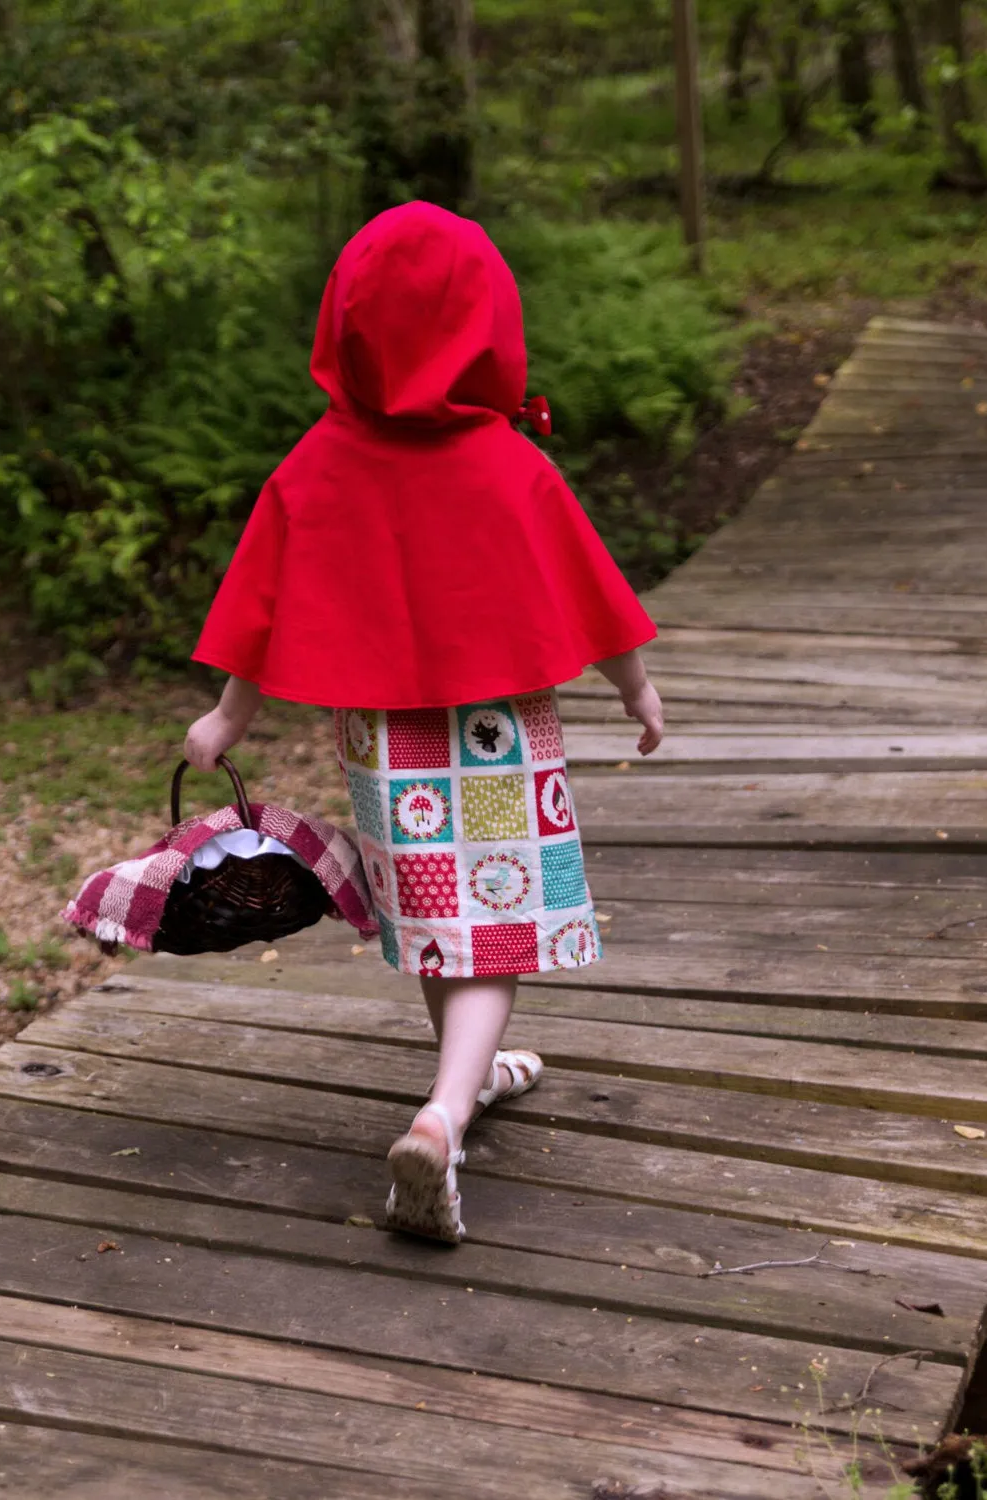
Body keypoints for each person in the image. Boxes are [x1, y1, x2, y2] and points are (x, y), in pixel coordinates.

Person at [184, 202, 663, 1244]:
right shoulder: (507, 462)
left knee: (444, 921)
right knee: (491, 933)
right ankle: (444, 1114)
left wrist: (227, 714)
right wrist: (634, 689)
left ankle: (471, 1074)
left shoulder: (321, 463)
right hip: (503, 733)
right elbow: (588, 585)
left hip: (386, 744)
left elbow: (259, 598)